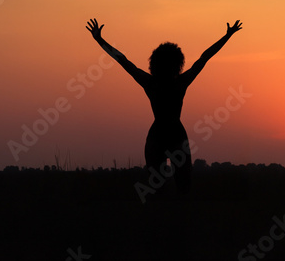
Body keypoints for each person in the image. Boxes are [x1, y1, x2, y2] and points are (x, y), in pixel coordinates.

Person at [86, 18, 242, 194]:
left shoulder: (152, 83)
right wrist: (227, 36)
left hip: (162, 136)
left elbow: (123, 60)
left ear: (155, 64)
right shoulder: (178, 83)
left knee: (164, 187)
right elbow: (204, 58)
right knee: (178, 186)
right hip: (171, 135)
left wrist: (99, 40)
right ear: (177, 64)